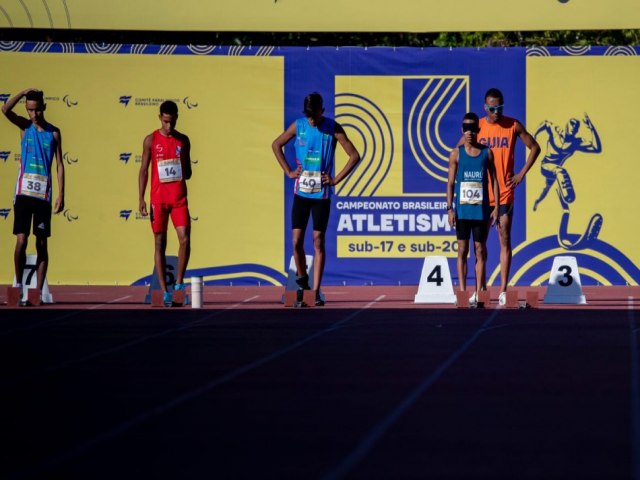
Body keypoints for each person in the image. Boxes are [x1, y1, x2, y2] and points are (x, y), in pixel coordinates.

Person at [272, 92, 360, 306]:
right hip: (301, 192)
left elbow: (354, 155)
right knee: (296, 242)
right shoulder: (299, 125)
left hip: (321, 194)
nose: (312, 119)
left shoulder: (332, 127)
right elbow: (276, 145)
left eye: (315, 115)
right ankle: (303, 283)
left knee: (318, 241)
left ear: (322, 110)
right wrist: (288, 171)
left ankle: (317, 291)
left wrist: (336, 179)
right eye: (309, 115)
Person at [477, 88, 541, 305]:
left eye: (500, 108)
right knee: (479, 244)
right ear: (486, 107)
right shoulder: (478, 126)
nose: (497, 112)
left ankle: (503, 290)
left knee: (504, 238)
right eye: (493, 109)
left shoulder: (513, 125)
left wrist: (521, 173)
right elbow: (458, 153)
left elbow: (535, 147)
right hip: (482, 195)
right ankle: (482, 288)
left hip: (504, 192)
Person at [2, 88, 64, 305]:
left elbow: (59, 164)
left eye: (37, 110)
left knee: (41, 243)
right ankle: (18, 286)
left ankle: (37, 292)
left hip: (43, 195)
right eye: (30, 110)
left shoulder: (54, 132)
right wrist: (23, 92)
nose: (34, 115)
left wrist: (61, 194)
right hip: (23, 193)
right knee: (21, 239)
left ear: (44, 108)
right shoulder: (24, 127)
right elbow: (5, 109)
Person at [139, 100, 192, 306]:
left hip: (178, 199)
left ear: (177, 118)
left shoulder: (184, 140)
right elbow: (143, 170)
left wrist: (182, 166)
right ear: (160, 117)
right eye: (166, 122)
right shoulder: (150, 140)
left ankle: (178, 284)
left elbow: (187, 172)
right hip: (158, 201)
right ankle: (164, 290)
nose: (169, 126)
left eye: (172, 122)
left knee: (184, 238)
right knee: (159, 243)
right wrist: (141, 198)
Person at [447, 112, 499, 307]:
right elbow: (450, 183)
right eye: (466, 128)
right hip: (462, 211)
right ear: (462, 130)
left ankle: (479, 293)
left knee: (480, 250)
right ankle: (462, 292)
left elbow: (494, 180)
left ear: (478, 130)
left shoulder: (487, 153)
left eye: (472, 128)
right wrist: (449, 209)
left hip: (481, 211)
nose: (469, 132)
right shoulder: (456, 154)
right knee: (462, 250)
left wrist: (497, 207)